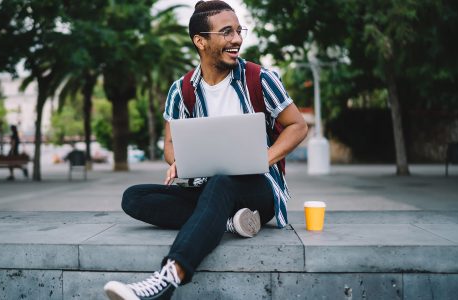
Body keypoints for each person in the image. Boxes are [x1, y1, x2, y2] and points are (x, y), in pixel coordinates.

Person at [104, 1, 308, 299]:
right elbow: (170, 145)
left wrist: (262, 159)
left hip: (258, 190)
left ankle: (168, 277)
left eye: (239, 31)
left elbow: (298, 126)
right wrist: (178, 162)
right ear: (200, 41)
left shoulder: (260, 78)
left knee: (223, 182)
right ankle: (228, 220)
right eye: (226, 32)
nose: (237, 39)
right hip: (207, 188)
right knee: (134, 197)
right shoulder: (181, 89)